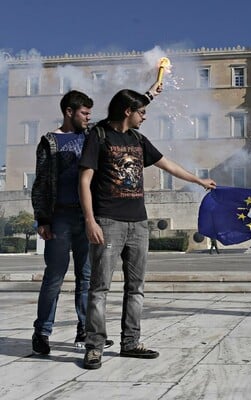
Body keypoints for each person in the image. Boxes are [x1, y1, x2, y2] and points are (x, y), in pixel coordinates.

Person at [78, 88, 216, 370]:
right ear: (127, 111)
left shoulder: (138, 139)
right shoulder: (99, 135)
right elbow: (84, 179)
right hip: (108, 221)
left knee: (136, 287)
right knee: (99, 288)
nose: (145, 116)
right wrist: (90, 220)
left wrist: (198, 180)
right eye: (142, 112)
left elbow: (168, 165)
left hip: (138, 222)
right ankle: (94, 347)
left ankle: (131, 343)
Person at [30, 90, 114, 354]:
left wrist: (150, 93)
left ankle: (86, 331)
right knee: (54, 276)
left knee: (86, 277)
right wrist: (42, 218)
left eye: (90, 113)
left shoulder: (91, 137)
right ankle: (42, 332)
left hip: (87, 216)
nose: (88, 118)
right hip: (60, 217)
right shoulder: (50, 141)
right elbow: (41, 182)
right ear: (69, 111)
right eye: (84, 113)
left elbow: (119, 114)